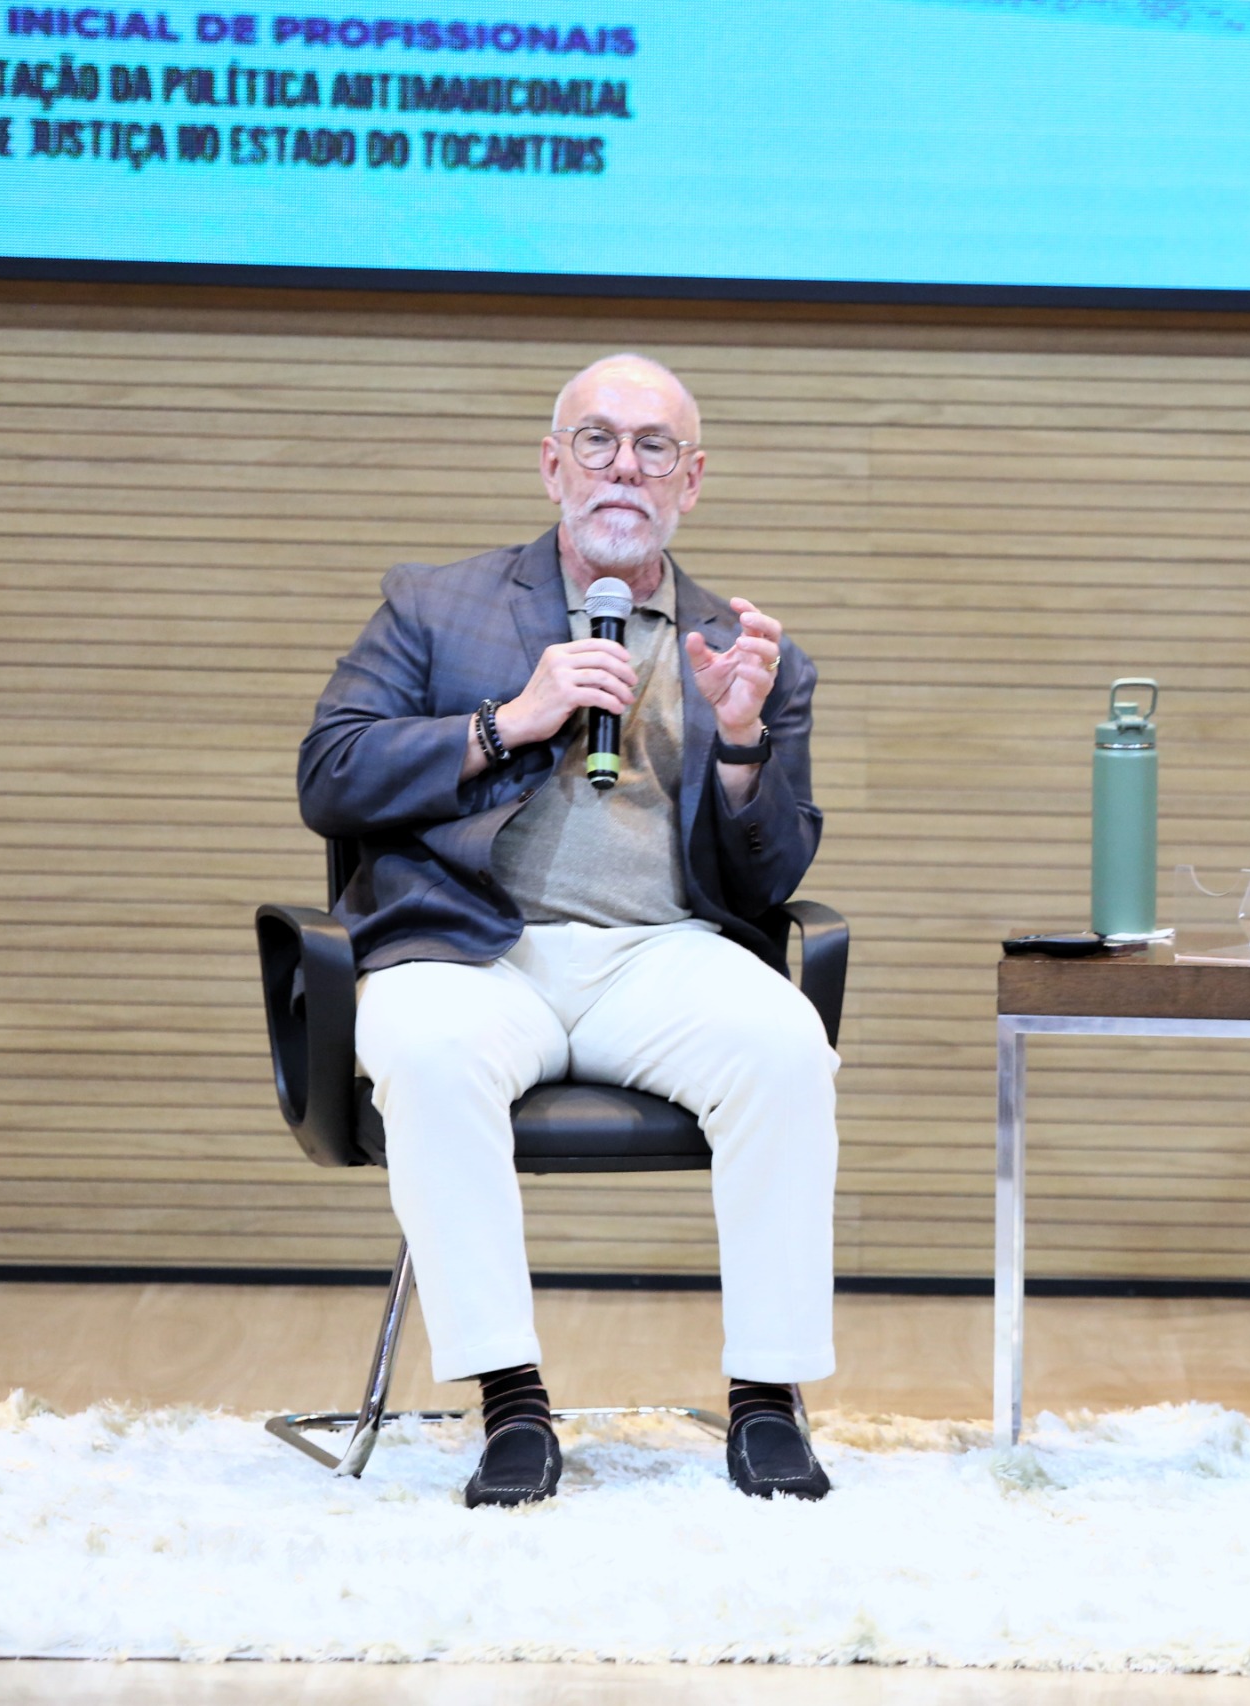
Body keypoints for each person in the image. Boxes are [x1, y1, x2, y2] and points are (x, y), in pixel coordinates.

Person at [299, 353, 841, 1508]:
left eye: (654, 448)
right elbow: (330, 775)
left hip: (662, 952)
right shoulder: (433, 604)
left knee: (787, 1045)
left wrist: (743, 742)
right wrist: (510, 721)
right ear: (552, 466)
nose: (623, 468)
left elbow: (773, 873)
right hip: (468, 946)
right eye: (596, 440)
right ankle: (509, 1402)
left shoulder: (743, 650)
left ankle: (766, 1396)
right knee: (432, 1051)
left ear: (690, 483)